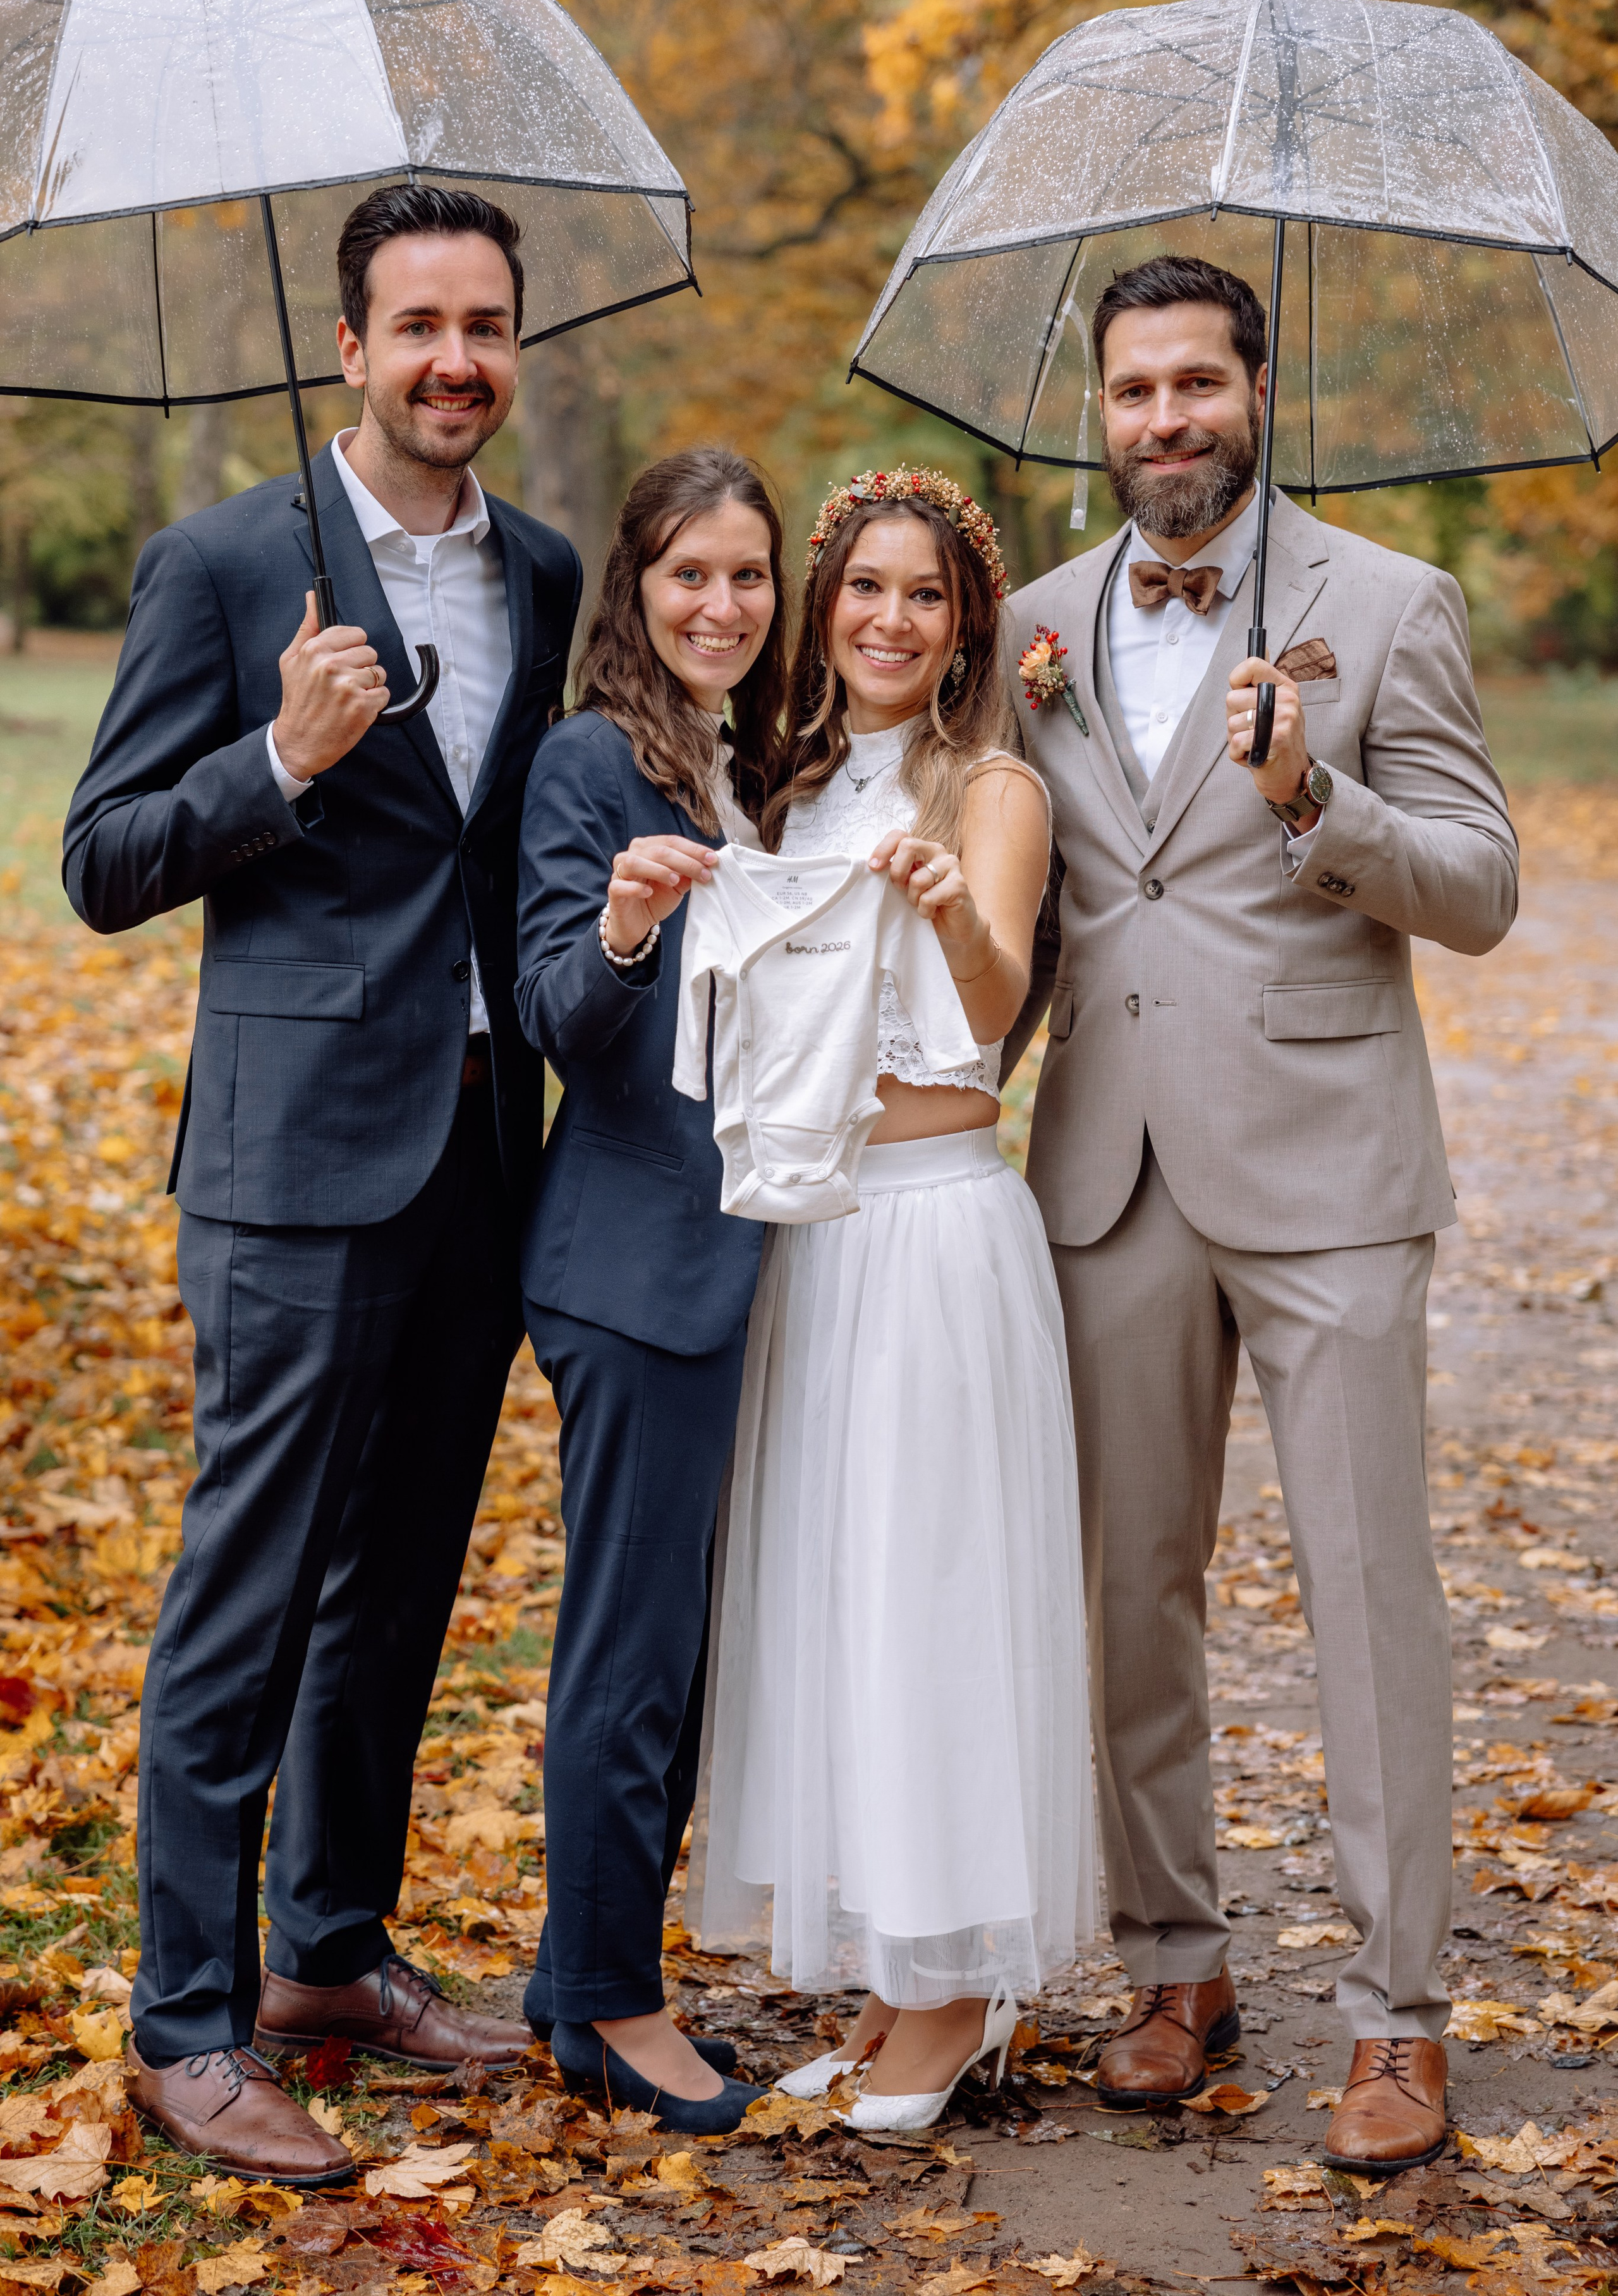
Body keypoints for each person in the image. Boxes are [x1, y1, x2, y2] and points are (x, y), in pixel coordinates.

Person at [62, 185, 581, 2182]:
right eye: (418, 323)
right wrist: (276, 760)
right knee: (249, 1591)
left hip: (480, 1144)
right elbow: (106, 858)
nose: (457, 357)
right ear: (349, 347)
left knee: (402, 1585)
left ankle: (331, 1959)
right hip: (289, 1167)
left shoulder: (537, 569)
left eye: (487, 324)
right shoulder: (221, 564)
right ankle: (187, 2026)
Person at [1002, 254, 1518, 2174]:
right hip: (1106, 1169)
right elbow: (1035, 902)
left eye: (1197, 384)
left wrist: (1320, 803)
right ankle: (1177, 1962)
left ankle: (1398, 2020)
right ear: (1104, 412)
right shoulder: (1033, 627)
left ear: (1257, 387)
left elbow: (1475, 887)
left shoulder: (1389, 608)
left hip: (1327, 1170)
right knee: (1131, 1592)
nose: (1165, 420)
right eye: (1134, 391)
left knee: (1372, 1593)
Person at [692, 466, 1098, 2132]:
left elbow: (996, 1004)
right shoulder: (779, 785)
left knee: (931, 1596)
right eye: (864, 586)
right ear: (824, 602)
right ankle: (887, 1974)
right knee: (837, 1596)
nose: (888, 617)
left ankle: (955, 1996)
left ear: (963, 625)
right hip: (818, 1229)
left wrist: (949, 911)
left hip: (936, 1229)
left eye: (924, 594)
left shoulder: (991, 784)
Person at [513, 447, 792, 2134]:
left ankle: (581, 1976)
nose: (721, 604)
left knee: (685, 1653)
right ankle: (612, 1998)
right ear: (638, 585)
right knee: (631, 1652)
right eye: (690, 573)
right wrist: (621, 928)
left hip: (754, 1255)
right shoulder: (589, 765)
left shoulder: (766, 768)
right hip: (631, 1265)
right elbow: (559, 1013)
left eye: (749, 575)